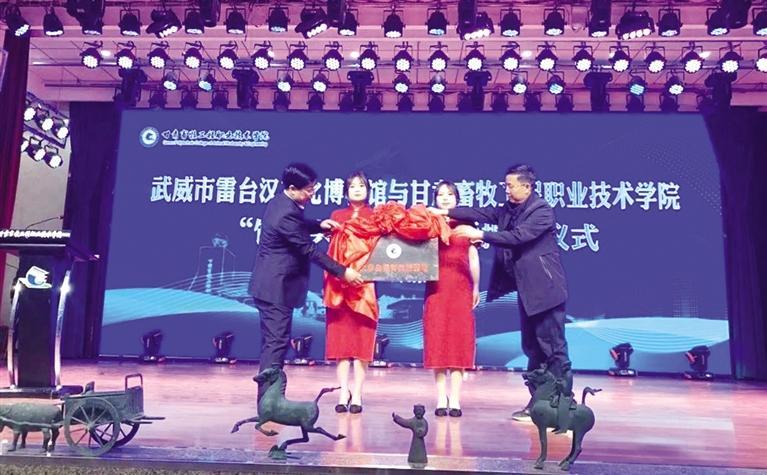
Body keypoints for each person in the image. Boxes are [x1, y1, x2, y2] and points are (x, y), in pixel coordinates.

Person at [429, 164, 571, 427]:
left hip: (546, 290)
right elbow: (481, 213)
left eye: (510, 185)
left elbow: (518, 236)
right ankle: (539, 403)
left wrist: (480, 234)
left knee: (553, 348)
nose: (506, 189)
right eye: (505, 185)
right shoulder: (509, 209)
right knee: (532, 348)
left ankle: (563, 405)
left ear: (526, 186)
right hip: (528, 292)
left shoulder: (541, 210)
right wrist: (444, 212)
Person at [249, 162, 363, 401]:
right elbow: (309, 250)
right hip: (275, 287)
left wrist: (319, 224)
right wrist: (343, 272)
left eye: (314, 188)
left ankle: (269, 399)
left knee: (274, 343)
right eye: (309, 190)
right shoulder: (285, 213)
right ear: (293, 188)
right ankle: (268, 401)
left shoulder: (282, 203)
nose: (312, 194)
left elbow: (299, 225)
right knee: (276, 344)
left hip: (270, 285)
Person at [422, 181, 480, 418]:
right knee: (437, 341)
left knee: (458, 342)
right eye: (440, 195)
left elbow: (473, 257)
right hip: (436, 287)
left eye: (450, 194)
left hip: (461, 287)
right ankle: (441, 397)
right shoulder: (428, 222)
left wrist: (476, 286)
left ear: (457, 199)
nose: (445, 198)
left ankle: (455, 399)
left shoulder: (467, 224)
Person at [324, 171, 378, 414]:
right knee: (341, 342)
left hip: (364, 284)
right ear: (345, 191)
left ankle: (357, 393)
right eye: (352, 186)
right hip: (339, 284)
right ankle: (343, 391)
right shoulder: (336, 216)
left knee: (362, 341)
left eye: (361, 186)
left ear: (368, 190)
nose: (357, 189)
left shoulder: (375, 216)